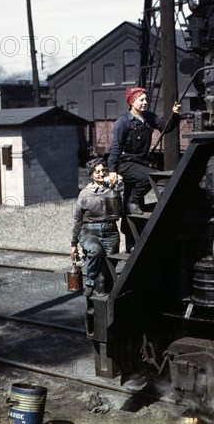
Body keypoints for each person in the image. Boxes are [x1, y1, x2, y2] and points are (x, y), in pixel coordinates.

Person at [107, 87, 181, 215]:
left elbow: (166, 128)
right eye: (141, 100)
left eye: (145, 99)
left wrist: (175, 115)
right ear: (131, 102)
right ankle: (133, 201)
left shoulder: (149, 117)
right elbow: (116, 147)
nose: (145, 102)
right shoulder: (123, 122)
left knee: (131, 198)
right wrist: (112, 170)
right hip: (125, 163)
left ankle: (129, 224)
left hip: (141, 162)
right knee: (151, 176)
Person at [70, 157, 123, 298]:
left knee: (109, 263)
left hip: (110, 230)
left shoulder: (111, 188)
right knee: (96, 252)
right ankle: (90, 281)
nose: (101, 174)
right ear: (91, 175)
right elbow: (77, 220)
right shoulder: (85, 194)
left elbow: (119, 207)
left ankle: (108, 291)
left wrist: (119, 186)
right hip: (89, 231)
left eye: (103, 171)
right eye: (97, 172)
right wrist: (73, 244)